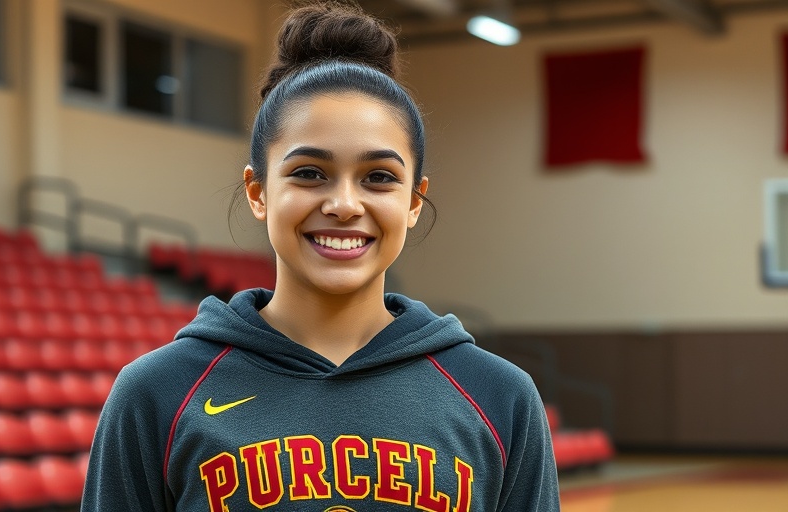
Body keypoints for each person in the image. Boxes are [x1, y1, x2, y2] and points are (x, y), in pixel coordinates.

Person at [81, 2, 560, 510]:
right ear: (258, 191)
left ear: (414, 201)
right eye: (309, 172)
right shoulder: (157, 393)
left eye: (379, 177)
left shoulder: (499, 396)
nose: (344, 205)